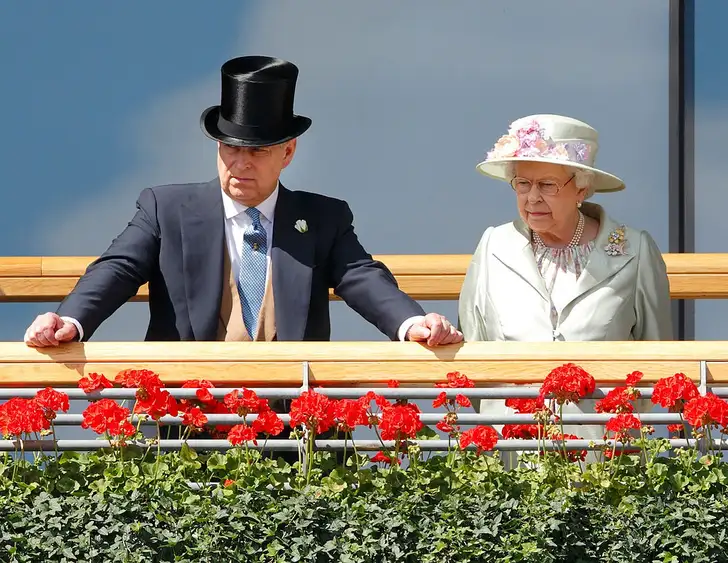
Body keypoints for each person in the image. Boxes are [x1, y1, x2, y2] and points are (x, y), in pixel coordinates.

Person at [24, 55, 462, 348]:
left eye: (257, 151)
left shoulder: (323, 217)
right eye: (230, 148)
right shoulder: (166, 209)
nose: (240, 163)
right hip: (184, 421)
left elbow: (361, 276)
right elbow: (118, 268)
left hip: (291, 424)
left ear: (287, 153)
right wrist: (70, 322)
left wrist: (412, 324)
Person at [458, 114, 672, 454]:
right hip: (511, 451)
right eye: (522, 184)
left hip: (602, 453)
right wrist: (497, 417)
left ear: (582, 189)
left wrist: (616, 431)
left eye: (547, 185)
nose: (532, 198)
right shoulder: (493, 245)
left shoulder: (634, 249)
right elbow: (473, 346)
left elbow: (656, 356)